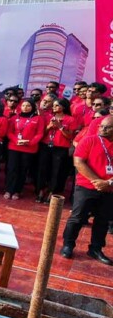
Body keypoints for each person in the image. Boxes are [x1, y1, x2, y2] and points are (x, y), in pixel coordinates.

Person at [60, 115, 113, 264]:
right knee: (77, 217)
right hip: (86, 186)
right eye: (101, 126)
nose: (102, 129)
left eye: (107, 127)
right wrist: (98, 182)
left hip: (109, 189)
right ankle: (68, 244)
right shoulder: (89, 140)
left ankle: (95, 249)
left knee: (103, 220)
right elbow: (78, 162)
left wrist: (109, 183)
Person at [36, 98, 76, 203]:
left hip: (60, 148)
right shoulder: (48, 117)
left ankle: (52, 192)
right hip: (46, 146)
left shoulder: (70, 119)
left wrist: (60, 127)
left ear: (64, 107)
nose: (54, 107)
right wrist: (49, 126)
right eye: (53, 105)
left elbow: (70, 136)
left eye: (57, 105)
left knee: (57, 171)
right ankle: (41, 190)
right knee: (43, 169)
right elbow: (41, 133)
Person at [4, 99, 43, 200]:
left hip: (29, 148)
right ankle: (9, 190)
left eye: (28, 106)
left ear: (32, 107)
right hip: (14, 146)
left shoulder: (38, 118)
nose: (25, 108)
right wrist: (16, 140)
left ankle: (17, 191)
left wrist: (29, 142)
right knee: (12, 169)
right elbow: (9, 132)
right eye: (23, 105)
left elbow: (39, 133)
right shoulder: (14, 117)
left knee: (23, 170)